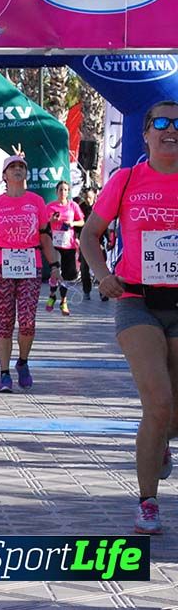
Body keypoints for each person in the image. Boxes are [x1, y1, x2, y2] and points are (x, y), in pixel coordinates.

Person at [80, 100, 178, 536]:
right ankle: (148, 501)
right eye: (160, 122)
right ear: (145, 134)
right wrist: (102, 276)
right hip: (136, 300)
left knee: (172, 412)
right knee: (157, 401)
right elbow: (89, 236)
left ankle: (161, 441)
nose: (170, 130)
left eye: (177, 124)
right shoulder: (128, 179)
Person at [0, 154, 61, 393]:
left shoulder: (36, 202)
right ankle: (4, 374)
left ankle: (22, 362)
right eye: (12, 167)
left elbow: (45, 236)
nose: (18, 170)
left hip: (30, 265)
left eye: (22, 166)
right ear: (4, 175)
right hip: (1, 265)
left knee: (27, 321)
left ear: (26, 173)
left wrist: (54, 265)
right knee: (5, 321)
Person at [43, 180, 85, 315]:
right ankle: (52, 294)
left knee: (68, 274)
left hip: (69, 244)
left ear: (68, 192)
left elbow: (82, 221)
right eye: (60, 189)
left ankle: (63, 300)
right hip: (55, 244)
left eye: (65, 190)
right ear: (56, 192)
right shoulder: (50, 206)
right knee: (56, 270)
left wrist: (72, 222)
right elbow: (42, 223)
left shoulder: (73, 206)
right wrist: (51, 221)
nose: (63, 192)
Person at [76, 187, 104, 301]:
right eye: (86, 197)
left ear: (95, 196)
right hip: (84, 242)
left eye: (90, 197)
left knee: (101, 267)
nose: (88, 200)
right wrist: (77, 239)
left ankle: (103, 292)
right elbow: (77, 225)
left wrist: (108, 240)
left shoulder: (100, 207)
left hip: (98, 241)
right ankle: (86, 290)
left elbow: (105, 224)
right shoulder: (80, 208)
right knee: (84, 268)